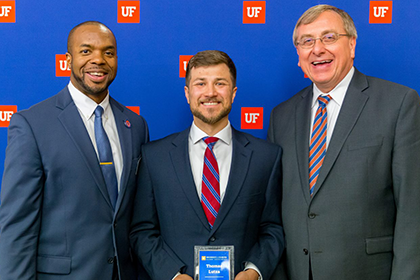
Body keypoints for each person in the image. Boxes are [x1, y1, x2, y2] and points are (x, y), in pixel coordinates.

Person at [268, 4, 420, 280]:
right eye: (307, 41)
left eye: (328, 37)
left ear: (351, 44)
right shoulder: (282, 116)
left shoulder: (398, 104)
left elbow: (414, 208)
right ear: (299, 55)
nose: (317, 49)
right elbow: (276, 211)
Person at [0, 21, 149, 280]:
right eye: (86, 51)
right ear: (68, 59)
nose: (98, 60)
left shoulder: (135, 125)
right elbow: (17, 225)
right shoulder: (32, 124)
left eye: (108, 52)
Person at [130, 50, 284, 280]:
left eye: (220, 83)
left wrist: (254, 271)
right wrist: (171, 275)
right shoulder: (155, 156)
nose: (210, 93)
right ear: (187, 93)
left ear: (233, 93)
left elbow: (273, 228)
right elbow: (142, 231)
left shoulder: (266, 156)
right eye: (200, 83)